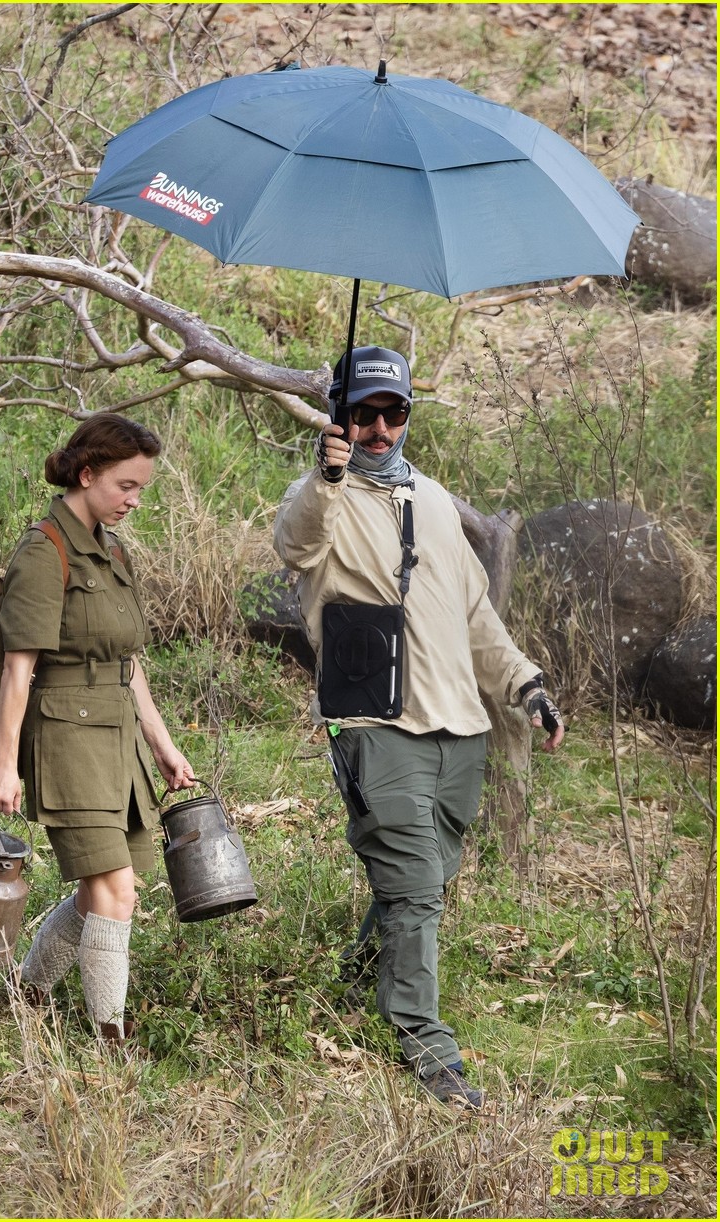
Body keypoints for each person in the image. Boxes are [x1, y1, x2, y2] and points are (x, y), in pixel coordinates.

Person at [273, 346, 563, 1109]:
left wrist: (525, 686)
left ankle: (357, 983)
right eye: (361, 414)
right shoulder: (320, 499)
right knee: (413, 891)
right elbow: (295, 544)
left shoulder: (432, 500)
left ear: (407, 415)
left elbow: (474, 617)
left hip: (460, 726)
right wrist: (326, 476)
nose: (376, 429)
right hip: (373, 722)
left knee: (424, 881)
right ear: (340, 415)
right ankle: (425, 1047)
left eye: (391, 413)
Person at [0, 414, 195, 1048]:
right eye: (126, 486)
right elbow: (18, 670)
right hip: (67, 738)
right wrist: (3, 765)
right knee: (117, 889)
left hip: (118, 738)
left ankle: (28, 994)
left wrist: (163, 746)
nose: (134, 500)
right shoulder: (44, 551)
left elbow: (126, 666)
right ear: (87, 474)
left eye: (142, 490)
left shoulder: (114, 548)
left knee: (102, 889)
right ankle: (111, 1040)